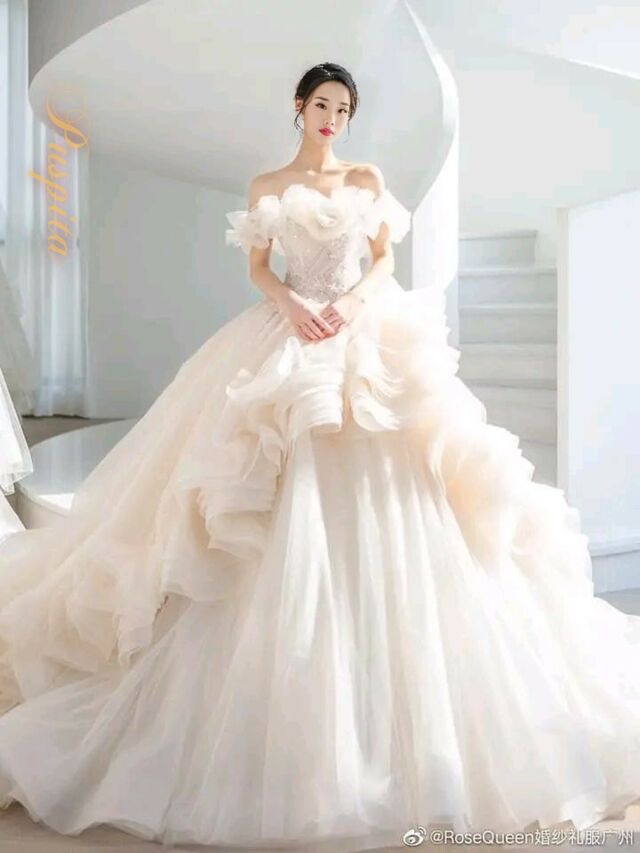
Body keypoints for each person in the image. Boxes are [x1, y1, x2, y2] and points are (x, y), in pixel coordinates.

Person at [0, 60, 638, 851]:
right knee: (265, 486)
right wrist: (295, 304)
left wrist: (353, 302)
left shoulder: (366, 178)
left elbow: (384, 259)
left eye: (344, 108)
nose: (333, 117)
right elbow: (258, 266)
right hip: (288, 330)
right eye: (323, 104)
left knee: (402, 490)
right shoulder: (269, 184)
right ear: (299, 107)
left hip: (362, 332)